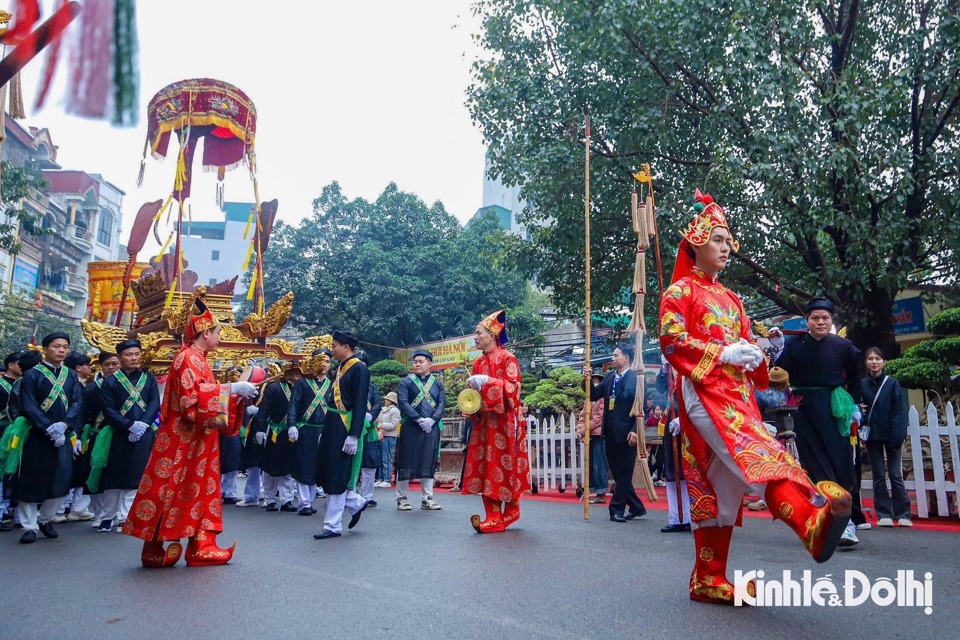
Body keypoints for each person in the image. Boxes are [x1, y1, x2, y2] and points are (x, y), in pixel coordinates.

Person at [660, 190, 852, 604]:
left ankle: (708, 578)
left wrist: (753, 354)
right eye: (719, 240)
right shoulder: (678, 293)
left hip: (738, 396)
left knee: (723, 487)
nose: (727, 248)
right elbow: (671, 341)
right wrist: (722, 353)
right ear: (696, 242)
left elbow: (749, 344)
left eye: (729, 241)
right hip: (706, 394)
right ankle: (808, 525)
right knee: (759, 458)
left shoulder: (732, 299)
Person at [122, 297, 258, 567]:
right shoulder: (188, 358)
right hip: (182, 440)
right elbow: (190, 403)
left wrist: (234, 397)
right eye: (218, 333)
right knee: (171, 489)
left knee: (191, 489)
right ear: (205, 333)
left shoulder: (199, 359)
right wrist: (231, 390)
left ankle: (198, 545)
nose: (220, 338)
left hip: (195, 440)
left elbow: (205, 402)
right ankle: (168, 548)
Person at [775, 297, 863, 547]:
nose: (820, 322)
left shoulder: (843, 346)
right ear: (807, 321)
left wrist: (855, 404)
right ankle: (825, 518)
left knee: (841, 461)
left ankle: (847, 523)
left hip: (834, 406)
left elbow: (856, 376)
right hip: (803, 409)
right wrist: (774, 353)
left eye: (825, 318)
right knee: (813, 462)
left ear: (831, 321)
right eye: (815, 318)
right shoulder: (794, 344)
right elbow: (778, 372)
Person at [11, 333, 84, 544]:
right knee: (30, 477)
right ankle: (29, 526)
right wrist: (47, 426)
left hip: (63, 434)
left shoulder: (71, 375)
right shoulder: (32, 375)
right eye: (56, 346)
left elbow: (77, 403)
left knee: (61, 477)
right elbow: (28, 404)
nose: (61, 350)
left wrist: (63, 425)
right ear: (46, 349)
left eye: (65, 347)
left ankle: (45, 519)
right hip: (36, 433)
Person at [462, 310, 530, 533]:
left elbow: (513, 389)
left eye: (478, 333)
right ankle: (493, 515)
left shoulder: (508, 358)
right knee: (484, 467)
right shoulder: (477, 363)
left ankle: (510, 510)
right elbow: (474, 396)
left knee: (503, 465)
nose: (475, 336)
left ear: (491, 335)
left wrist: (489, 381)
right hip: (484, 424)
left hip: (505, 424)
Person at [91, 339, 161, 534]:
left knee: (135, 476)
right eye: (129, 354)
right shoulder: (110, 381)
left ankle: (125, 516)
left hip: (144, 434)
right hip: (119, 433)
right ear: (120, 357)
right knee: (114, 475)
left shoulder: (148, 378)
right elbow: (108, 409)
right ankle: (107, 516)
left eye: (136, 354)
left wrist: (143, 425)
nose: (133, 358)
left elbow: (155, 403)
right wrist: (129, 425)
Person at [313, 330, 369, 539]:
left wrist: (354, 434)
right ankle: (356, 503)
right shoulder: (340, 368)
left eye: (335, 345)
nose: (333, 349)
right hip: (332, 423)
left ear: (346, 347)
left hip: (345, 425)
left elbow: (361, 403)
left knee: (337, 473)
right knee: (327, 470)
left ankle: (333, 525)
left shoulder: (359, 369)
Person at [583, 345, 647, 523]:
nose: (613, 357)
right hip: (609, 431)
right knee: (619, 474)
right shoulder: (610, 376)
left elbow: (641, 408)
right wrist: (587, 380)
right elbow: (595, 394)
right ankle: (636, 506)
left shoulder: (637, 378)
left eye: (616, 355)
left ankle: (616, 509)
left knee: (625, 473)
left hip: (627, 432)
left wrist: (635, 430)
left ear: (626, 358)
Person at [861, 347, 911, 528]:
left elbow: (899, 412)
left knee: (896, 474)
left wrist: (897, 437)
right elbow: (860, 410)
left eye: (878, 358)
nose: (874, 362)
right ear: (866, 363)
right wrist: (861, 412)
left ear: (884, 362)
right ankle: (884, 514)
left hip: (892, 435)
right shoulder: (863, 384)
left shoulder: (892, 384)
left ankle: (903, 513)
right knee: (879, 475)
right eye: (870, 359)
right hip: (873, 436)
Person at [396, 349, 446, 511]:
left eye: (421, 361)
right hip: (411, 426)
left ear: (429, 363)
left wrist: (432, 420)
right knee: (405, 461)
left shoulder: (437, 383)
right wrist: (418, 419)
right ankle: (402, 498)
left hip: (431, 427)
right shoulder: (406, 382)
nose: (417, 364)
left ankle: (427, 498)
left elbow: (441, 404)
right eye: (415, 361)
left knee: (428, 461)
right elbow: (403, 403)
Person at [288, 349, 331, 516]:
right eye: (321, 361)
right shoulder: (303, 383)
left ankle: (310, 500)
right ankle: (304, 503)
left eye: (327, 361)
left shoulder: (332, 384)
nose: (324, 364)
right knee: (304, 465)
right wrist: (292, 424)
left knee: (317, 466)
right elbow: (293, 404)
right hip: (305, 429)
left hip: (324, 430)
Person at [256, 362, 301, 513]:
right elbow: (264, 409)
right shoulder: (273, 387)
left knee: (288, 468)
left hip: (290, 432)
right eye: (293, 373)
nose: (296, 376)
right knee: (270, 467)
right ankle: (270, 500)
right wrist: (260, 429)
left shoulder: (298, 388)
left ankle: (287, 499)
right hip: (274, 432)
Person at [655, 362, 690, 533]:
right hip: (672, 419)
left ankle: (692, 516)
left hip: (691, 421)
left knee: (688, 469)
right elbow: (660, 389)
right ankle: (676, 517)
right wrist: (663, 369)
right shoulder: (670, 368)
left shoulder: (691, 364)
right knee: (672, 469)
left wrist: (684, 418)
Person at [356, 351, 383, 508]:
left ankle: (367, 496)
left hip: (369, 429)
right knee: (350, 463)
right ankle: (349, 493)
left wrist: (369, 416)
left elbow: (378, 404)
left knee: (369, 464)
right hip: (349, 428)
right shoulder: (343, 384)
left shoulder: (372, 387)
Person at [0, 351, 23, 531]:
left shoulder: (24, 384)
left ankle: (11, 511)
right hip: (2, 433)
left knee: (14, 474)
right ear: (10, 365)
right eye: (19, 363)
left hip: (17, 435)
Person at [577, 375, 607, 504]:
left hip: (599, 434)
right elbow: (582, 415)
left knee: (599, 464)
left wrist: (585, 429)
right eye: (592, 382)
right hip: (589, 434)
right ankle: (594, 490)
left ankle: (601, 493)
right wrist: (581, 429)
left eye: (597, 382)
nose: (595, 384)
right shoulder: (588, 400)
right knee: (591, 464)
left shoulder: (603, 399)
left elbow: (600, 417)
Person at [376, 391, 401, 487]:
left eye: (387, 399)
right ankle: (381, 478)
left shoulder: (395, 411)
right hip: (381, 434)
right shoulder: (383, 410)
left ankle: (387, 478)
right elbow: (378, 419)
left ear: (391, 401)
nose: (385, 400)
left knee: (387, 457)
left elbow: (393, 425)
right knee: (381, 457)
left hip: (390, 436)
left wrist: (382, 425)